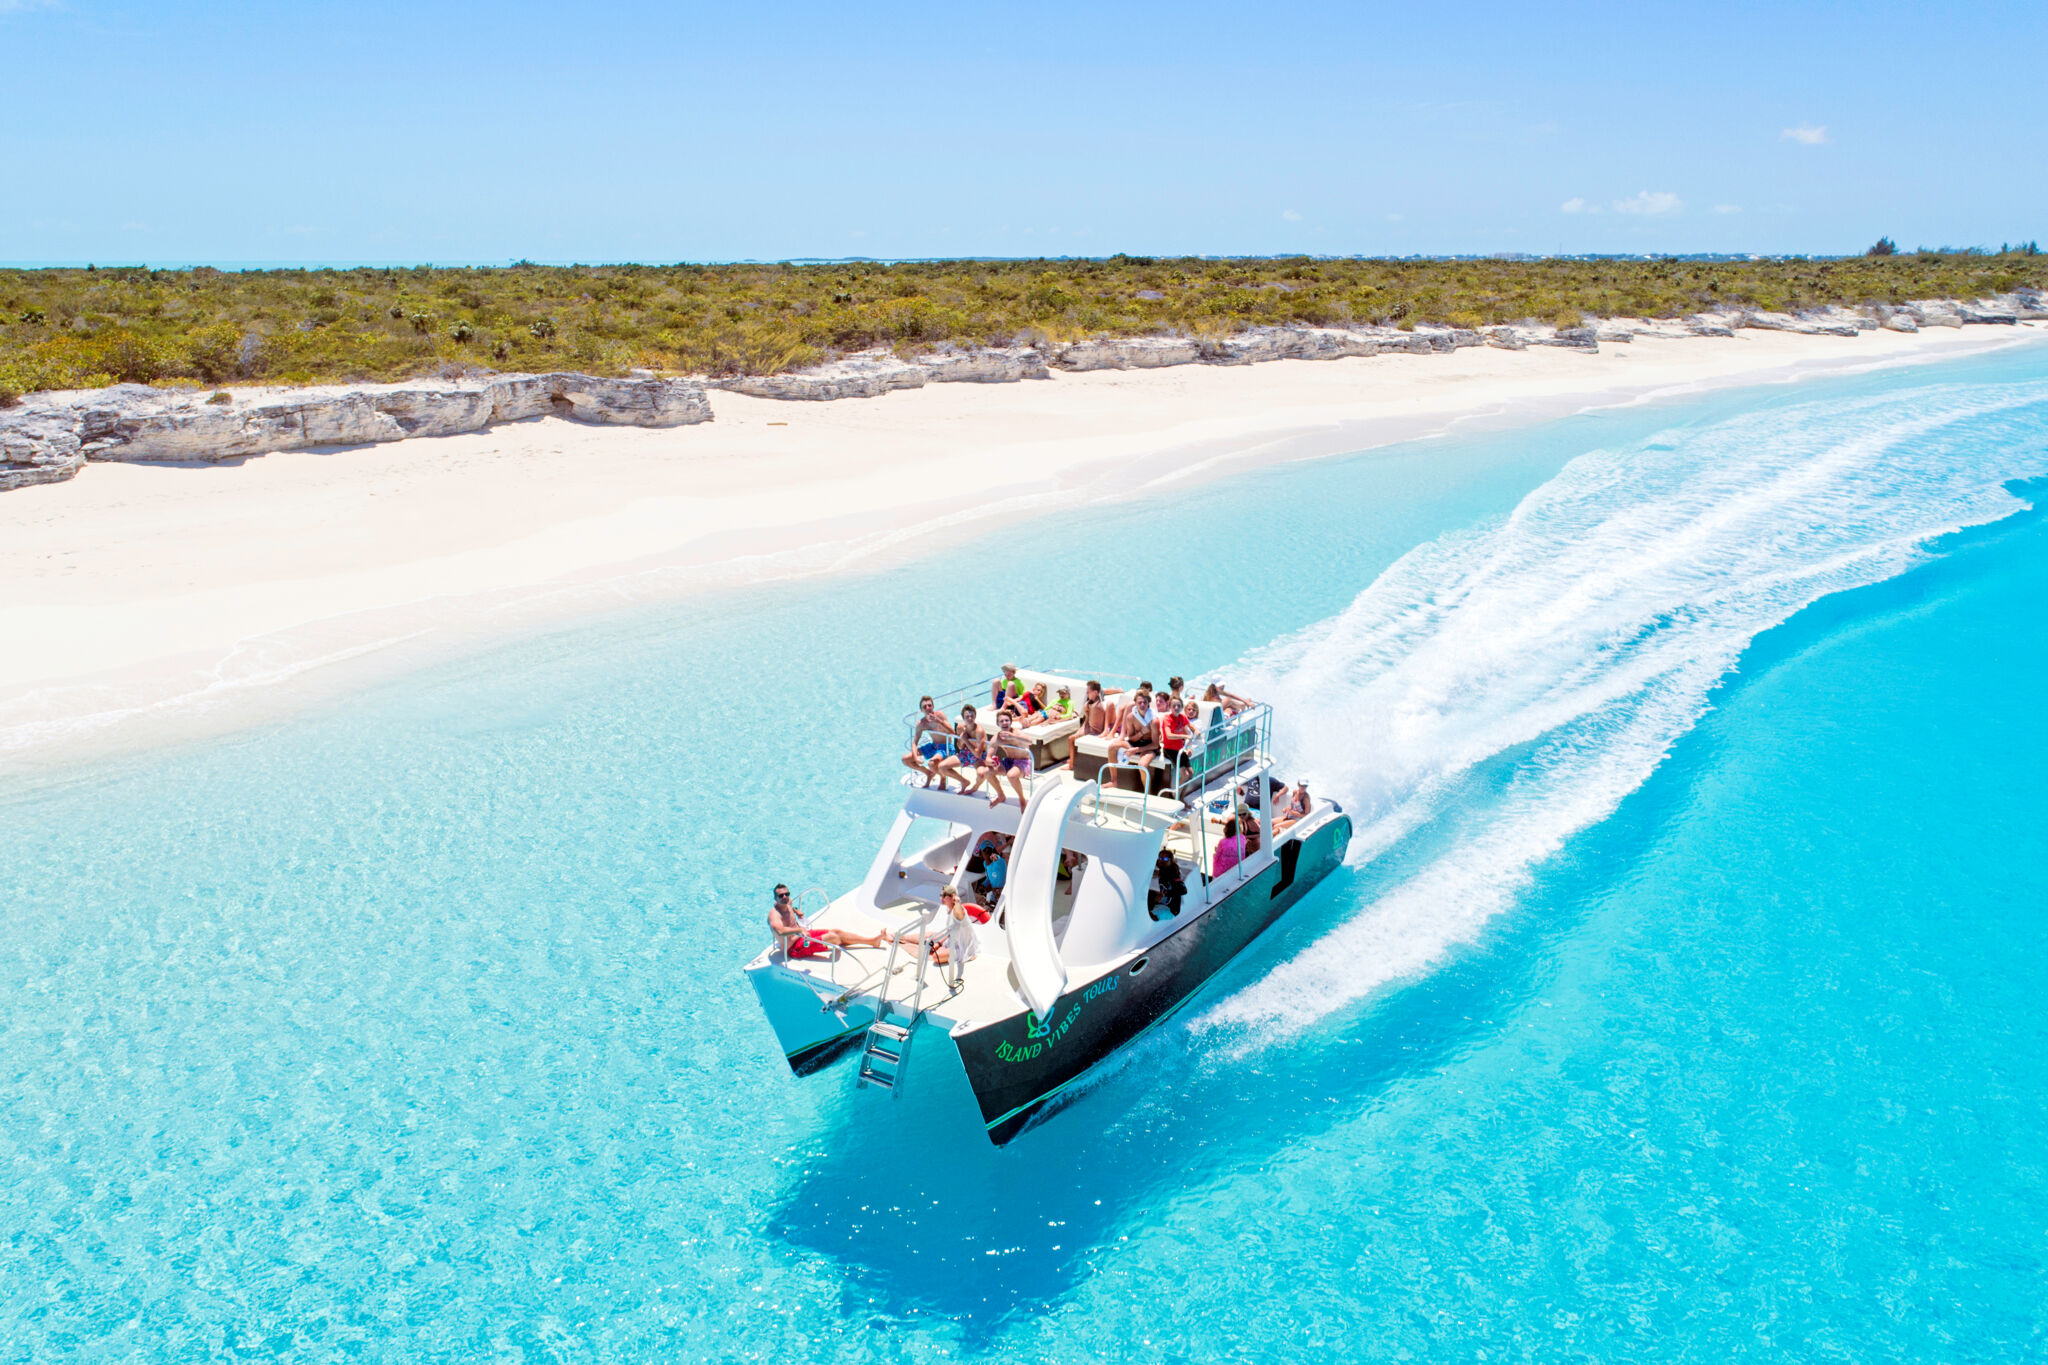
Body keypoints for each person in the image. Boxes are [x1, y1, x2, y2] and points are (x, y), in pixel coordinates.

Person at [768, 883, 885, 958]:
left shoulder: (788, 902)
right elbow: (780, 931)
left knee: (837, 932)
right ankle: (839, 940)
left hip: (803, 936)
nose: (785, 897)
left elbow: (790, 910)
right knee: (833, 937)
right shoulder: (774, 915)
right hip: (794, 948)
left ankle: (872, 941)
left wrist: (797, 912)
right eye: (781, 896)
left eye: (787, 894)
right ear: (775, 898)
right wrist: (799, 930)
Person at [973, 713, 1033, 809]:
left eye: (1007, 720)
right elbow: (988, 758)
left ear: (1011, 722)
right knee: (987, 771)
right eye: (1001, 721)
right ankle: (1001, 795)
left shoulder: (1016, 733)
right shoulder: (997, 738)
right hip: (1009, 761)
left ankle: (1022, 799)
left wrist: (1013, 737)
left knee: (1011, 775)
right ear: (998, 724)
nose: (1004, 723)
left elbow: (1030, 741)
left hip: (1023, 762)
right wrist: (991, 762)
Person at [901, 695, 957, 788]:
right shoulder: (921, 723)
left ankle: (942, 777)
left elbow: (952, 732)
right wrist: (916, 758)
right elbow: (915, 743)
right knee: (905, 760)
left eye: (929, 705)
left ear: (933, 706)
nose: (928, 708)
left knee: (932, 763)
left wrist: (939, 721)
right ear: (921, 710)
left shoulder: (940, 715)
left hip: (946, 746)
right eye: (925, 706)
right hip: (933, 746)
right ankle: (928, 773)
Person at [928, 704, 983, 791]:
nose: (970, 718)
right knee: (941, 767)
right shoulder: (960, 728)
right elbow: (960, 747)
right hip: (966, 753)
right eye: (967, 717)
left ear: (975, 716)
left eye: (972, 716)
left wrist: (966, 740)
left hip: (978, 757)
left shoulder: (979, 731)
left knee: (981, 774)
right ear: (963, 718)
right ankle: (964, 781)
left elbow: (978, 754)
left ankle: (974, 788)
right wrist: (962, 740)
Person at [1106, 687, 1158, 769]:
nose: (1142, 705)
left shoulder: (1153, 720)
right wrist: (1141, 733)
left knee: (1142, 765)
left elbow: (1155, 745)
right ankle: (1113, 777)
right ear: (1135, 703)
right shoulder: (1131, 717)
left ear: (1148, 703)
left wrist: (1136, 750)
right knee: (1112, 747)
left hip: (1149, 746)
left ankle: (1146, 778)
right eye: (1140, 702)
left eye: (1145, 702)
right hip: (1135, 743)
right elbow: (1131, 738)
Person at [1157, 696, 1196, 784]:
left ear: (1182, 707)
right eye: (1174, 705)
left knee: (1191, 773)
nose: (1176, 708)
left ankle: (1182, 791)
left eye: (1178, 705)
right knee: (1185, 775)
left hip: (1180, 749)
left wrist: (1189, 747)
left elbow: (1191, 729)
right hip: (1170, 750)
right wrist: (1184, 736)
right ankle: (1176, 792)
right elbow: (1169, 735)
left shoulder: (1183, 717)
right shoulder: (1167, 719)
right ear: (1170, 707)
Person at [1147, 847, 1187, 920]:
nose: (1162, 860)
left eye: (1165, 859)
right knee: (1148, 894)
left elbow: (1183, 890)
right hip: (1163, 901)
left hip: (1171, 909)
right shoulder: (1162, 868)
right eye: (1160, 858)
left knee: (1150, 900)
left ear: (1171, 860)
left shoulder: (1174, 874)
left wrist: (1165, 893)